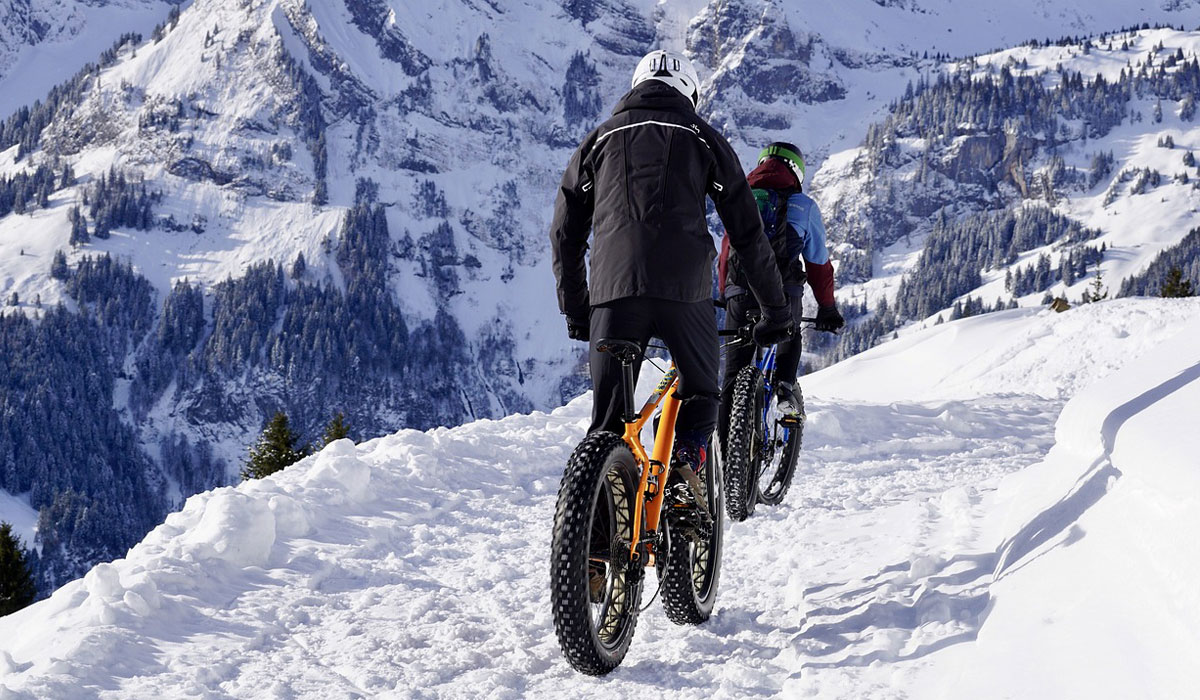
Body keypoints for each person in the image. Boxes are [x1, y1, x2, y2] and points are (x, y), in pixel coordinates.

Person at [549, 50, 792, 496]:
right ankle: (686, 470)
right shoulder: (703, 137)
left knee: (607, 425)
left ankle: (596, 545)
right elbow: (747, 235)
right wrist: (775, 310)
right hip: (685, 292)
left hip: (613, 292)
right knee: (701, 392)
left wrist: (578, 309)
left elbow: (564, 232)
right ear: (690, 94)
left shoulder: (598, 140)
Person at [718, 141, 844, 425]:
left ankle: (724, 455)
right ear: (796, 171)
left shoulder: (742, 199)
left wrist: (727, 292)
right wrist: (827, 308)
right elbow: (818, 265)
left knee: (733, 374)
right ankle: (785, 387)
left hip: (739, 292)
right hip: (784, 294)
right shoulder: (804, 206)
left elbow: (726, 253)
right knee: (791, 331)